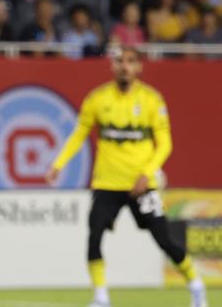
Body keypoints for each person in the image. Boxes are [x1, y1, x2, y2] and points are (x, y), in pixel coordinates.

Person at [46, 46, 207, 307]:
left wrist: (146, 174)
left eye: (130, 61)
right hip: (107, 183)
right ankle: (101, 297)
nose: (125, 66)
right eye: (120, 61)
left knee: (164, 239)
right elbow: (79, 134)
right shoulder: (97, 99)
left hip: (141, 185)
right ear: (113, 65)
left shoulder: (152, 100)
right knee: (95, 235)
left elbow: (165, 143)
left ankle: (196, 285)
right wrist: (58, 164)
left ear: (139, 67)